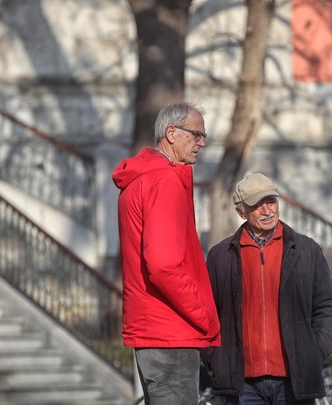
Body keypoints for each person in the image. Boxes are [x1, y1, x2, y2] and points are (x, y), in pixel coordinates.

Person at [203, 172, 332, 405]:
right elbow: (207, 314)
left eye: (271, 201)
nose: (268, 211)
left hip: (294, 381)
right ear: (241, 212)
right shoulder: (220, 256)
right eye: (257, 205)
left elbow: (328, 305)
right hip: (242, 385)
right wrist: (216, 359)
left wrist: (315, 351)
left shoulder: (306, 249)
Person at [112, 102, 220, 404]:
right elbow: (163, 266)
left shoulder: (141, 179)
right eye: (196, 134)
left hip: (153, 327)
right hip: (170, 330)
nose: (203, 142)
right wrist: (205, 316)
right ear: (171, 133)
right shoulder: (164, 180)